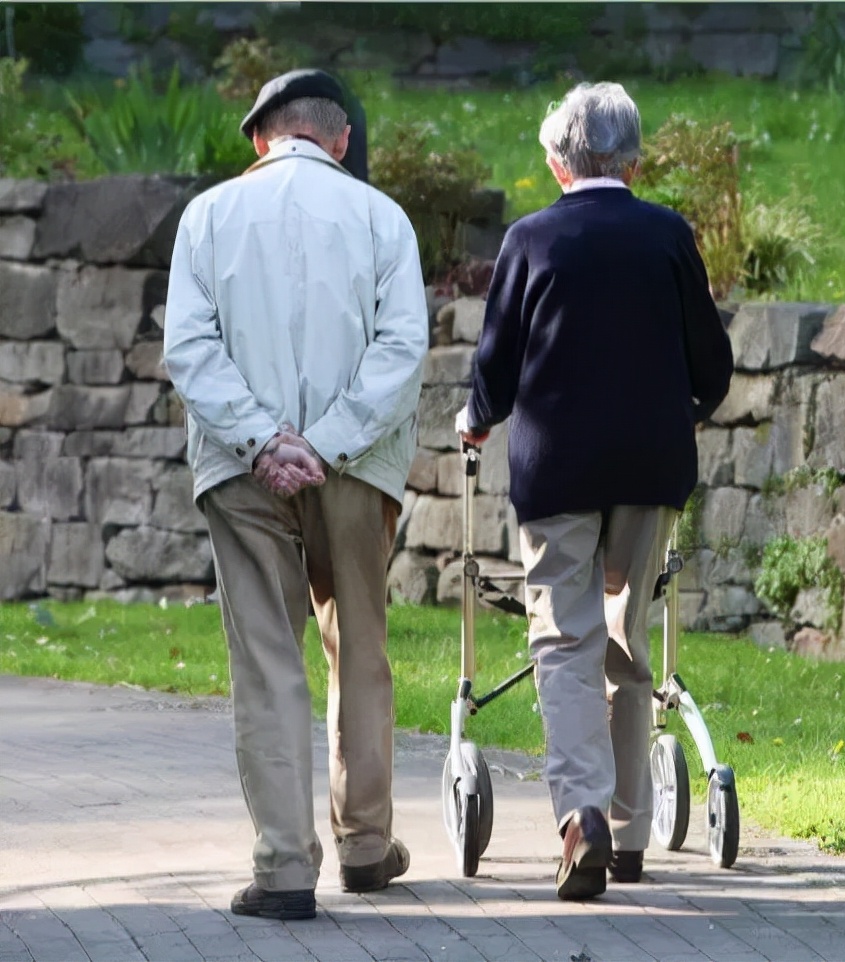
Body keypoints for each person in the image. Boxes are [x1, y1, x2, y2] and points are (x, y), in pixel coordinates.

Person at [456, 82, 733, 901]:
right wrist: (684, 412)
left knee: (564, 641)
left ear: (555, 164)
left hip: (559, 471)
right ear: (633, 160)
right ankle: (633, 831)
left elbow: (497, 366)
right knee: (627, 634)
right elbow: (711, 365)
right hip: (651, 467)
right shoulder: (668, 236)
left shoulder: (532, 238)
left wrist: (475, 421)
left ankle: (582, 819)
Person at [163, 68, 428, 921]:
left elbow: (190, 348)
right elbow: (401, 349)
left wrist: (261, 439)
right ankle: (364, 844)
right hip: (355, 466)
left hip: (242, 473)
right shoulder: (384, 218)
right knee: (360, 644)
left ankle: (282, 869)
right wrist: (326, 441)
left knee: (267, 659)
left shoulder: (207, 216)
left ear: (258, 139)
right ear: (341, 138)